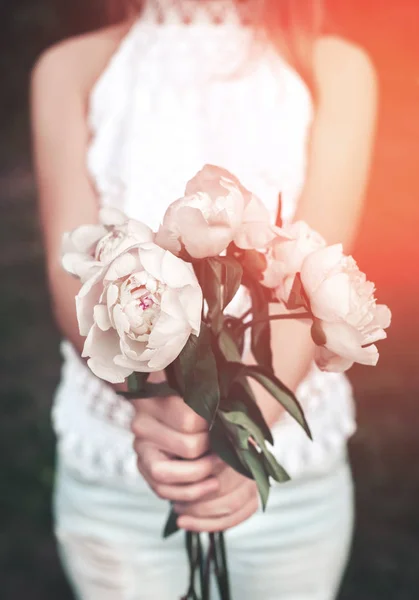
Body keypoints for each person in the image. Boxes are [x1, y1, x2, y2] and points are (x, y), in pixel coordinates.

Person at [31, 0, 377, 598]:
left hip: (278, 470)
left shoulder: (335, 69)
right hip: (119, 474)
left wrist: (237, 437)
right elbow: (72, 275)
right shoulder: (69, 69)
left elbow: (317, 274)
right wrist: (160, 412)